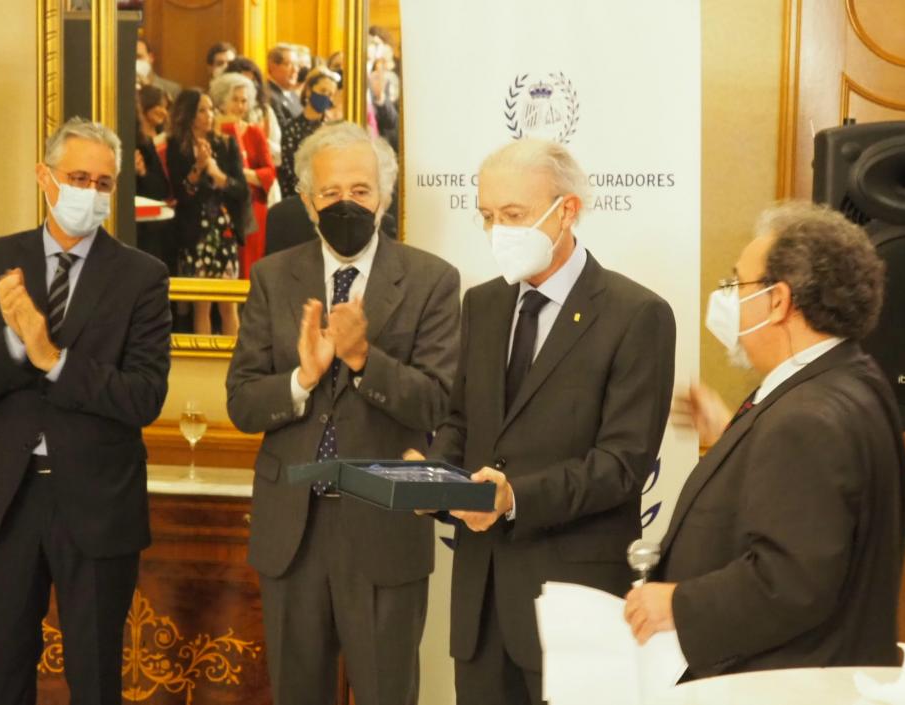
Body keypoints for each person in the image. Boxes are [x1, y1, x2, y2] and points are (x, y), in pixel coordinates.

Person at [420, 138, 676, 705]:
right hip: (482, 601)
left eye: (513, 215)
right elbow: (462, 420)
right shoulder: (482, 304)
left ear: (567, 211)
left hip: (574, 604)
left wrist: (514, 497)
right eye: (487, 216)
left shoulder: (637, 314)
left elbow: (622, 465)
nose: (498, 231)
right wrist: (433, 478)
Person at [225, 121, 460, 705]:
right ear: (307, 201)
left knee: (387, 693)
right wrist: (302, 379)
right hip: (292, 530)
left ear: (384, 195)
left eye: (360, 190)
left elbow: (437, 400)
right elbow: (243, 403)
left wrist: (361, 359)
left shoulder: (431, 279)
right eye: (330, 193)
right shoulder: (272, 277)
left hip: (384, 525)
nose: (345, 204)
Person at [624, 202, 905, 679]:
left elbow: (790, 583)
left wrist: (676, 603)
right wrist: (736, 438)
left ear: (778, 301)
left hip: (786, 681)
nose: (729, 301)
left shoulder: (805, 419)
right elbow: (813, 502)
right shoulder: (850, 377)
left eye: (737, 284)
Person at [0, 117, 172, 705]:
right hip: (7, 500)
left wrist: (52, 358)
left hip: (98, 502)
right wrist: (16, 346)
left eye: (103, 183)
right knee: (4, 671)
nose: (90, 192)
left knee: (96, 677)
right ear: (45, 177)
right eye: (78, 178)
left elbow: (143, 396)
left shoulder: (143, 276)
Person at [166, 88, 249, 335]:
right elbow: (181, 194)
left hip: (223, 230)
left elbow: (241, 190)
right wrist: (198, 168)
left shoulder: (226, 143)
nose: (209, 115)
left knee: (228, 304)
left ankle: (234, 356)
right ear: (189, 115)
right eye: (202, 110)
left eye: (211, 109)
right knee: (201, 305)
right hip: (195, 232)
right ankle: (202, 357)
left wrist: (218, 175)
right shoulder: (177, 147)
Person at [209, 72, 276, 280]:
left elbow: (270, 172)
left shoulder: (254, 132)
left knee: (251, 267)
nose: (240, 106)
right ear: (221, 101)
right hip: (223, 206)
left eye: (244, 101)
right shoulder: (213, 133)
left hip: (254, 207)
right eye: (235, 100)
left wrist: (241, 174)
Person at [277, 66, 340, 197]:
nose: (326, 97)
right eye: (322, 91)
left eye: (330, 94)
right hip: (300, 195)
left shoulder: (333, 129)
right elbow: (290, 171)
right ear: (308, 91)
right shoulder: (292, 128)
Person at [135, 84, 177, 273]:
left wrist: (143, 172)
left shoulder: (146, 144)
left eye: (166, 107)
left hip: (150, 228)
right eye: (159, 105)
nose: (164, 112)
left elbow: (161, 188)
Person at [225, 56, 284, 173]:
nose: (248, 88)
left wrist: (258, 142)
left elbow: (276, 153)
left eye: (252, 82)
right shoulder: (220, 112)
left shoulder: (265, 111)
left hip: (258, 171)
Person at [266, 43, 303, 128]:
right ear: (272, 66)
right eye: (289, 64)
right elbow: (283, 129)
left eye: (297, 65)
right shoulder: (268, 95)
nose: (295, 70)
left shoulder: (294, 94)